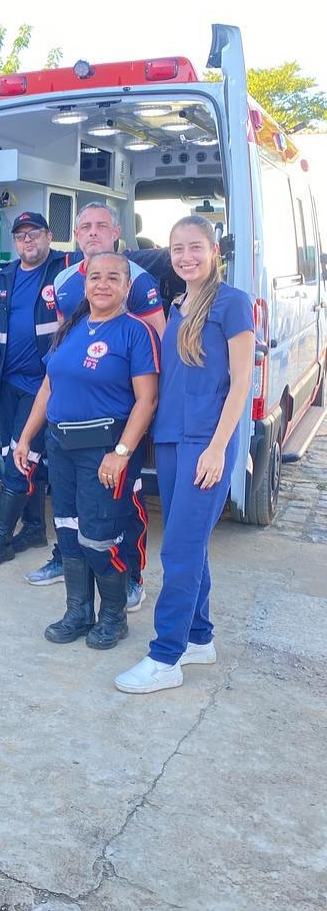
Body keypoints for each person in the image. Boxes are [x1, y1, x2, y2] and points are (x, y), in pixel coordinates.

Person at [115, 216, 253, 694]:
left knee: (177, 549)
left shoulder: (233, 303)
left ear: (214, 251)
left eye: (196, 247)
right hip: (173, 440)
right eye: (177, 248)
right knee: (188, 542)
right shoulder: (177, 305)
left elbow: (241, 382)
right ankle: (198, 637)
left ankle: (165, 656)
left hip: (205, 442)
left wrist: (217, 447)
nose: (186, 256)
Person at [15, 252, 159, 650]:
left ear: (127, 286)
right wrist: (26, 438)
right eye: (95, 277)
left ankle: (112, 617)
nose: (103, 284)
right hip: (61, 448)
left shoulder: (135, 332)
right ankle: (77, 613)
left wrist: (122, 452)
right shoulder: (72, 328)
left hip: (104, 453)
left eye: (113, 278)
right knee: (68, 532)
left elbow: (147, 400)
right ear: (86, 284)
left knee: (100, 538)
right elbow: (48, 387)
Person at [28, 202, 167, 604]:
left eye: (101, 226)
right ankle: (67, 561)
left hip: (116, 423)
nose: (93, 232)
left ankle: (132, 578)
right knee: (71, 508)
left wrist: (135, 432)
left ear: (116, 232)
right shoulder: (65, 279)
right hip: (70, 427)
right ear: (75, 234)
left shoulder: (138, 279)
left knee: (123, 503)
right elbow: (62, 354)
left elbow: (157, 347)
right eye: (85, 226)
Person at [0, 211, 66, 567]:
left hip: (42, 385)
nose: (28, 240)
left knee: (19, 458)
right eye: (21, 235)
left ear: (49, 236)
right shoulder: (3, 277)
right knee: (20, 455)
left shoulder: (65, 268)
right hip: (6, 384)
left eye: (34, 233)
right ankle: (35, 527)